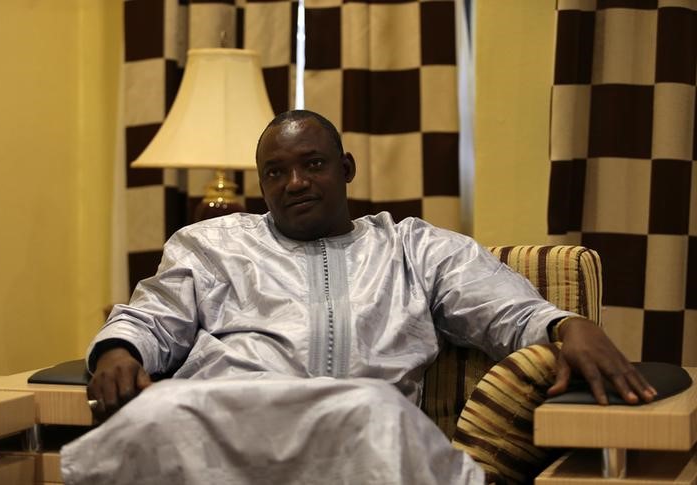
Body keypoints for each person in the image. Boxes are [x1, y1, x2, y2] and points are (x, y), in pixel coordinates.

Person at [60, 110, 655, 484]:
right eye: (275, 172)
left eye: (313, 164)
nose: (295, 182)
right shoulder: (212, 244)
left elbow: (500, 305)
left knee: (374, 412)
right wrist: (117, 348)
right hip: (227, 426)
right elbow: (153, 315)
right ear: (261, 183)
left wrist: (563, 325)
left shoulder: (412, 247)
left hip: (357, 435)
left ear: (345, 168)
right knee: (162, 411)